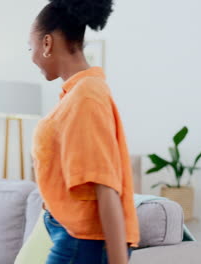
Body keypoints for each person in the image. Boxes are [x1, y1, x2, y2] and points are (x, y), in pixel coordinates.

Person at [28, 0, 140, 263]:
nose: (31, 57)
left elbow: (105, 185)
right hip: (75, 238)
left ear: (47, 43)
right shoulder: (77, 94)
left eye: (29, 47)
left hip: (82, 243)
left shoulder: (86, 95)